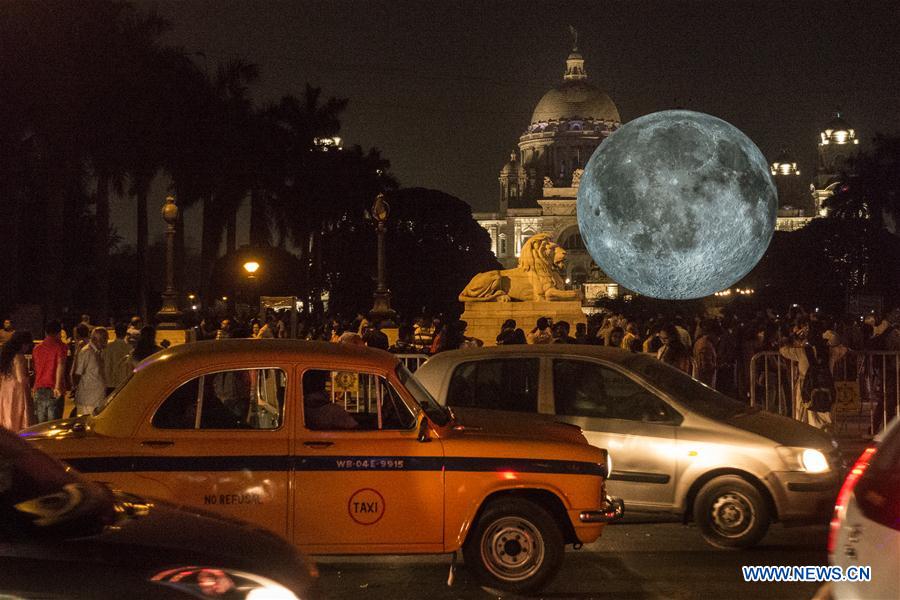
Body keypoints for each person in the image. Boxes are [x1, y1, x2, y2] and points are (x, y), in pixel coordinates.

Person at [31, 321, 68, 423]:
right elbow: (61, 365)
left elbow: (36, 369)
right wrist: (58, 386)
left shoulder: (37, 348)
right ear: (59, 332)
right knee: (53, 425)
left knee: (40, 425)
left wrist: (34, 386)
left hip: (39, 387)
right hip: (54, 389)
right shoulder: (61, 347)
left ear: (46, 332)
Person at [0, 331, 34, 431]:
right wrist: (30, 377)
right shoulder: (19, 357)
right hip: (17, 391)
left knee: (7, 413)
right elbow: (21, 378)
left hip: (5, 389)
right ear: (23, 344)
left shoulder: (6, 356)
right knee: (17, 414)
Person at [73, 327, 108, 416]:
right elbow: (77, 374)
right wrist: (77, 388)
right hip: (88, 401)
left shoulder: (98, 352)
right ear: (97, 339)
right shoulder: (87, 352)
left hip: (96, 400)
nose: (107, 341)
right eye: (105, 338)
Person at [104, 323, 132, 394]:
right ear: (126, 333)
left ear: (115, 332)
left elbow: (106, 365)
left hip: (110, 382)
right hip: (124, 382)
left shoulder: (108, 347)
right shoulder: (129, 348)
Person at [693, 319, 719, 388]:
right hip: (705, 380)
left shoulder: (700, 341)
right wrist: (717, 366)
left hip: (700, 378)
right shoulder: (705, 344)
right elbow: (706, 365)